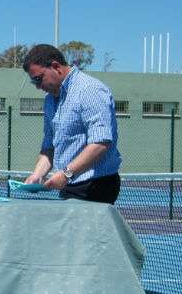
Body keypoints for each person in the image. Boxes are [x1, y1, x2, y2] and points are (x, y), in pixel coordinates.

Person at [22, 44, 122, 204]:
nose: (38, 87)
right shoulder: (50, 100)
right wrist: (36, 175)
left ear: (56, 67)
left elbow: (100, 143)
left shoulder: (90, 90)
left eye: (39, 79)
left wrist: (66, 174)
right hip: (70, 185)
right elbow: (49, 147)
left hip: (96, 186)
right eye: (34, 82)